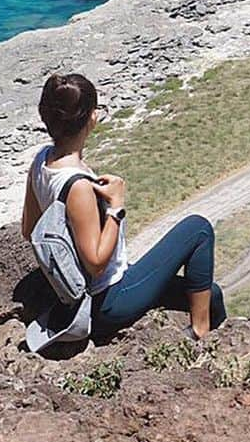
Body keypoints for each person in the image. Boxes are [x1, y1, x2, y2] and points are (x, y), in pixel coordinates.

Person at [21, 72, 226, 341]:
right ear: (91, 118)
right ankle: (200, 333)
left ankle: (209, 329)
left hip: (79, 293)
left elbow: (29, 230)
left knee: (213, 294)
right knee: (198, 229)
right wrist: (116, 206)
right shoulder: (78, 186)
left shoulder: (41, 161)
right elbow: (95, 263)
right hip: (107, 301)